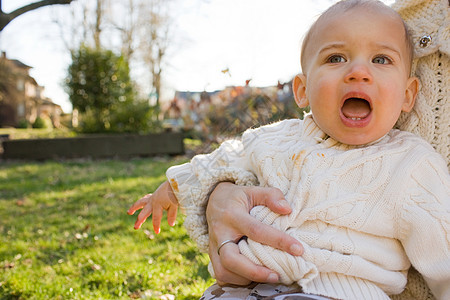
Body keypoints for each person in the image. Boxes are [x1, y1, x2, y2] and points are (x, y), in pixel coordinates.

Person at [128, 0, 450, 299]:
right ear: (302, 90)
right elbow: (225, 159)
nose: (358, 72)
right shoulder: (277, 138)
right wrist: (175, 187)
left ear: (408, 95)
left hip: (337, 292)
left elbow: (444, 255)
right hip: (243, 286)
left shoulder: (412, 165)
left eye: (381, 59)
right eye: (335, 58)